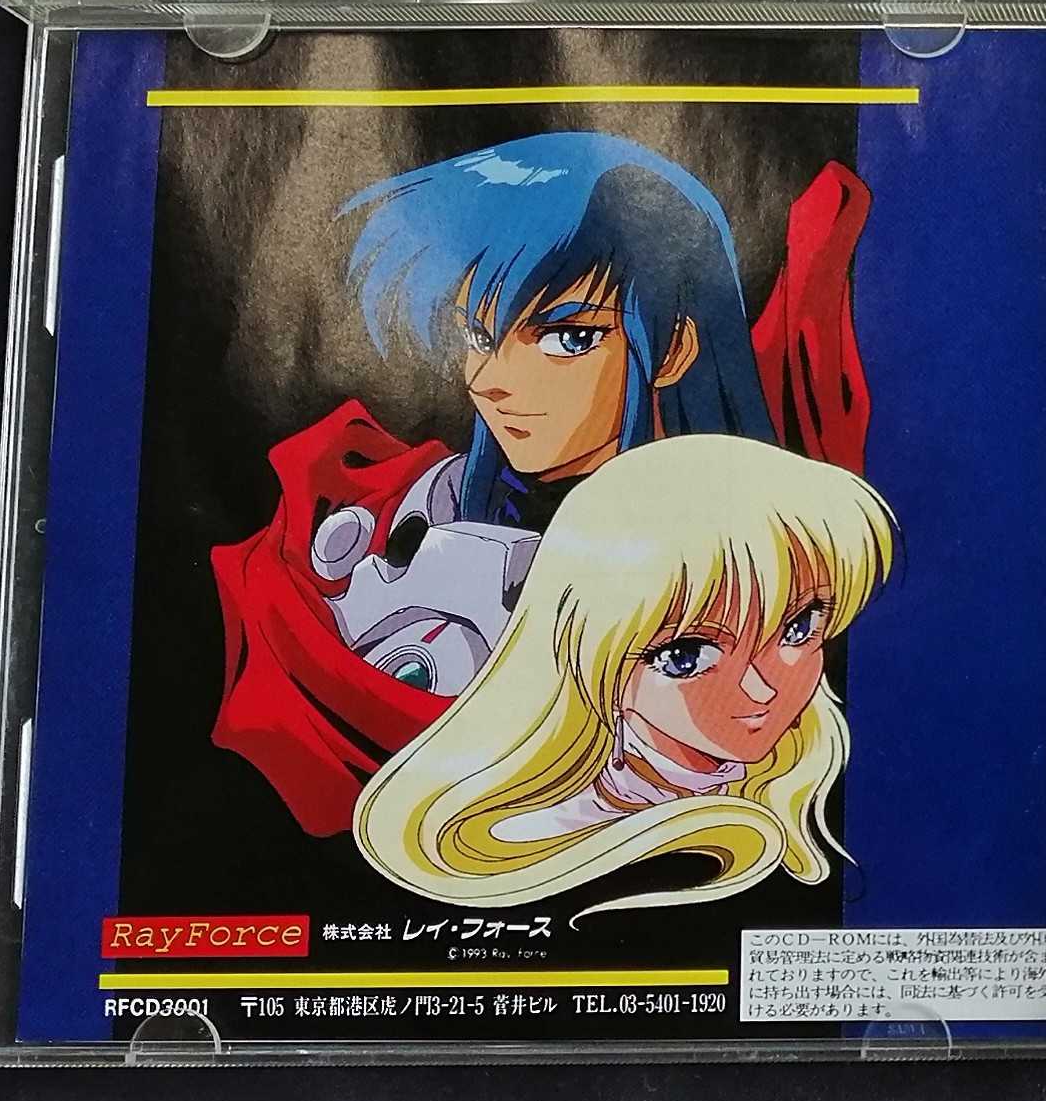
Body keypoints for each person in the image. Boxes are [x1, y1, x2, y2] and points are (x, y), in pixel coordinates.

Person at [211, 132, 872, 834]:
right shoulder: (410, 507)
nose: (491, 381)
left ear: (674, 347)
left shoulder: (760, 533)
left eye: (568, 338)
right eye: (478, 334)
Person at [353, 433, 898, 912]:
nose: (762, 687)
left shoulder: (809, 769)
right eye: (687, 656)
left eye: (798, 627)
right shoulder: (547, 829)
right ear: (593, 652)